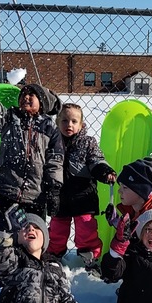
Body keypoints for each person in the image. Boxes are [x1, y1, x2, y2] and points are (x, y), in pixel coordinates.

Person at [0, 41, 64, 218]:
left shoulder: (50, 128)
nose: (26, 97)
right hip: (7, 191)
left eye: (31, 95)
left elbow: (55, 161)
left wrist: (54, 189)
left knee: (33, 239)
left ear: (42, 104)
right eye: (23, 94)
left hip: (36, 195)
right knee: (6, 236)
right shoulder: (10, 119)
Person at [48, 103, 116, 269]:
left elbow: (96, 160)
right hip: (60, 196)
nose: (69, 125)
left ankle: (90, 256)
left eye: (73, 121)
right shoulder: (52, 142)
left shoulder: (87, 143)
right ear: (57, 122)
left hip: (83, 196)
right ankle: (53, 256)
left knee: (86, 228)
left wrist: (104, 171)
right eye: (64, 121)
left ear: (81, 124)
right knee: (57, 229)